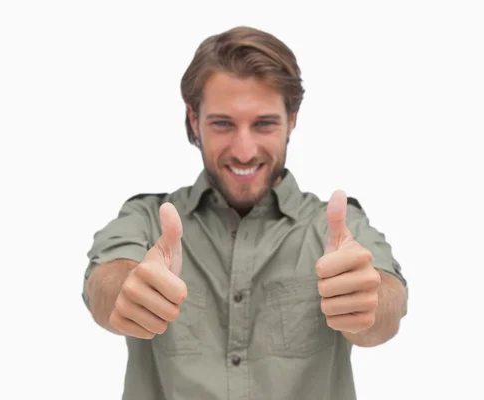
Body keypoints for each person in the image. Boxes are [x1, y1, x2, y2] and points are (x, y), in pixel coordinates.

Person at [82, 25, 408, 400]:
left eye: (264, 124)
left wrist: (369, 302)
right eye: (222, 124)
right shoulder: (147, 218)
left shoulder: (337, 229)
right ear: (193, 120)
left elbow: (387, 303)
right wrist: (127, 290)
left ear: (293, 120)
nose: (243, 150)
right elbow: (104, 281)